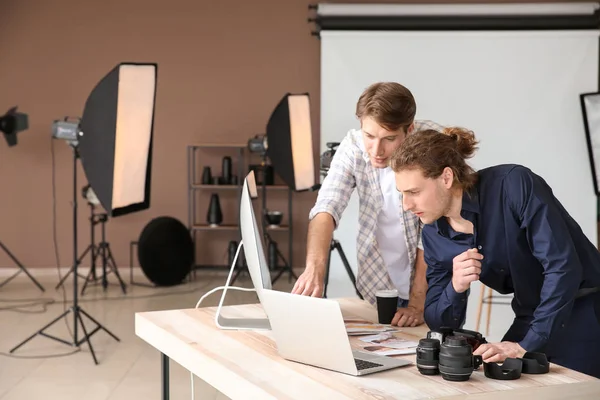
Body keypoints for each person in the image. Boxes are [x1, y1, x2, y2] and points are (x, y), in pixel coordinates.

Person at [389, 126, 600, 378]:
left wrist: (525, 345)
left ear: (446, 178)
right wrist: (455, 287)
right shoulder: (433, 234)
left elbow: (563, 268)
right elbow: (439, 322)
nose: (406, 205)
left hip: (585, 310)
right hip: (530, 315)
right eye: (402, 194)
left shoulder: (513, 185)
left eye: (414, 192)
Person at [291, 82, 445, 327]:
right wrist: (314, 269)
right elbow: (327, 206)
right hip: (377, 281)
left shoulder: (433, 144)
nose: (377, 150)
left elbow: (434, 229)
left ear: (410, 129)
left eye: (389, 139)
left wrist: (417, 302)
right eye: (369, 135)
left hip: (434, 283)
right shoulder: (353, 146)